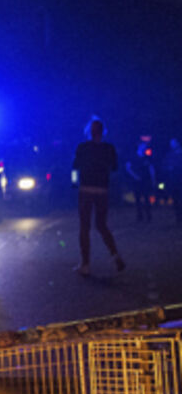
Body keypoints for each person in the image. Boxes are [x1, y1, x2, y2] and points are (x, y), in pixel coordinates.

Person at [72, 118, 125, 276]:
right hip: (102, 190)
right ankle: (115, 255)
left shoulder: (82, 147)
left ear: (89, 131)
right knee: (101, 225)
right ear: (103, 132)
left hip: (86, 189)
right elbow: (115, 168)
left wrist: (74, 184)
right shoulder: (109, 148)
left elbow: (74, 168)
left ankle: (85, 264)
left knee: (85, 227)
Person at [124, 141, 155, 222]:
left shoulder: (147, 157)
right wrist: (135, 176)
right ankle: (139, 216)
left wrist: (153, 179)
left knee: (147, 198)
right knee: (138, 199)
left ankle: (148, 216)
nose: (144, 148)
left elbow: (151, 168)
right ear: (139, 147)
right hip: (136, 182)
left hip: (146, 181)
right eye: (143, 146)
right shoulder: (133, 157)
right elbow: (128, 168)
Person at [164, 138, 182, 225]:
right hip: (173, 180)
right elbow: (165, 166)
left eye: (174, 143)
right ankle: (178, 217)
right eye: (171, 143)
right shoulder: (169, 155)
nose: (172, 145)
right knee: (176, 199)